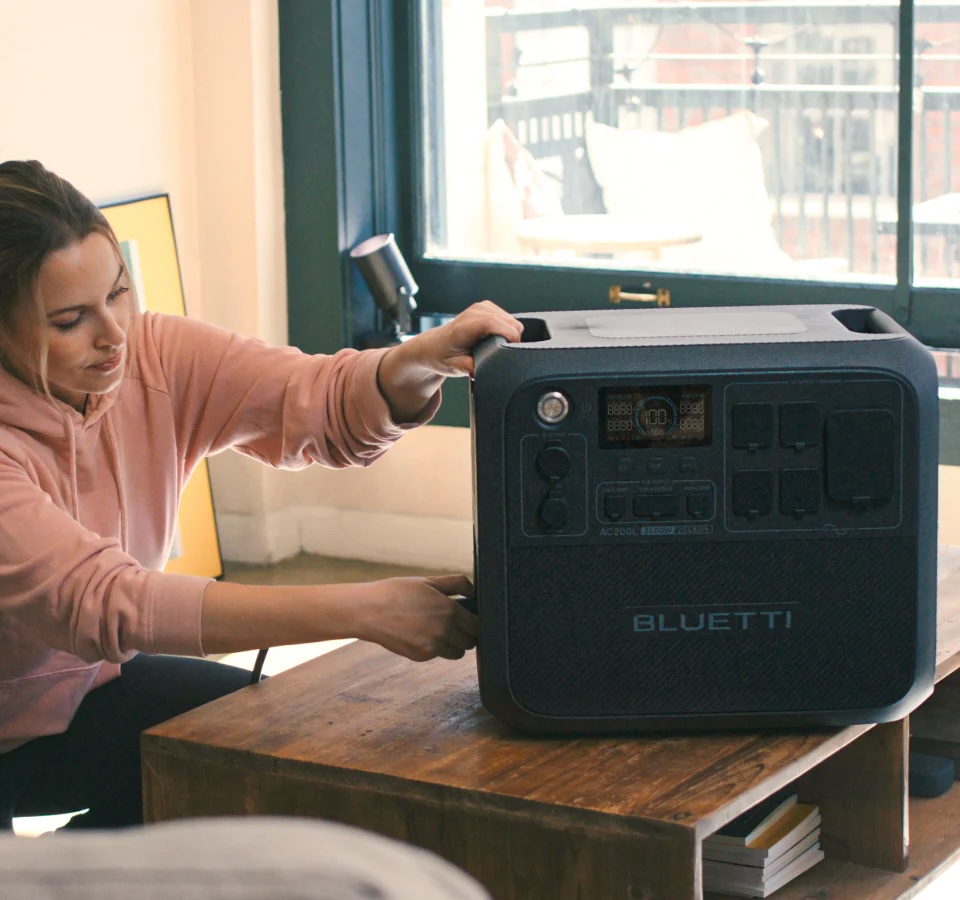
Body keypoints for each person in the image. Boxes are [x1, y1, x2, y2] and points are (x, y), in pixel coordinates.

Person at [0, 159, 523, 831]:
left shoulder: (151, 355)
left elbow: (315, 401)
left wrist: (421, 359)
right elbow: (110, 604)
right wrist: (364, 609)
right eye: (71, 319)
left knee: (263, 762)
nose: (114, 334)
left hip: (75, 696)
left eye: (119, 292)